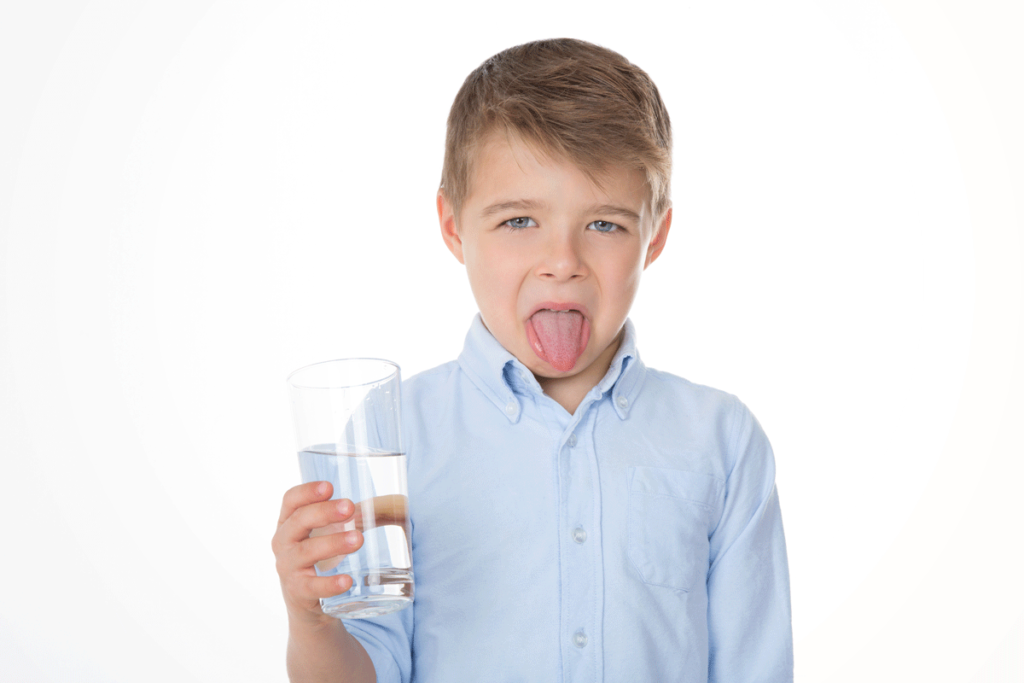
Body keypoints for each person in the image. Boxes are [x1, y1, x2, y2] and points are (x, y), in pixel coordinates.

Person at [272, 38, 793, 682]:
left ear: (654, 233)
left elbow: (754, 669)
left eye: (605, 225)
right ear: (453, 225)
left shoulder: (723, 441)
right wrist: (312, 621)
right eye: (519, 221)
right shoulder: (393, 436)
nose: (563, 261)